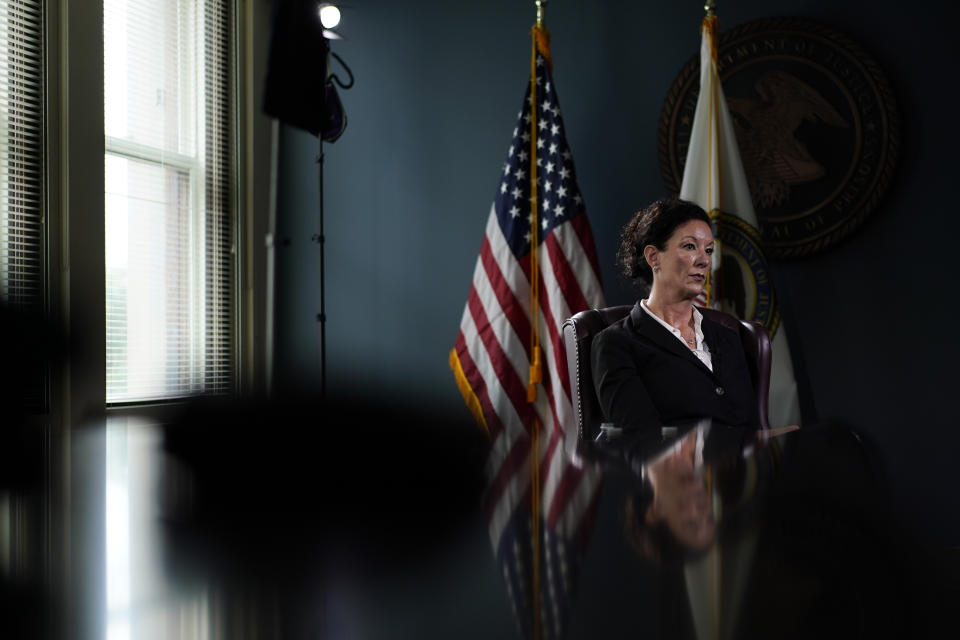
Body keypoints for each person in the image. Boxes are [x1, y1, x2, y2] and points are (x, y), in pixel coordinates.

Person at [590, 198, 761, 435]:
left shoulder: (728, 338)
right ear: (653, 257)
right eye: (690, 246)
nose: (704, 260)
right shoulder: (615, 345)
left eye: (709, 250)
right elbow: (642, 441)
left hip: (748, 469)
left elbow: (752, 427)